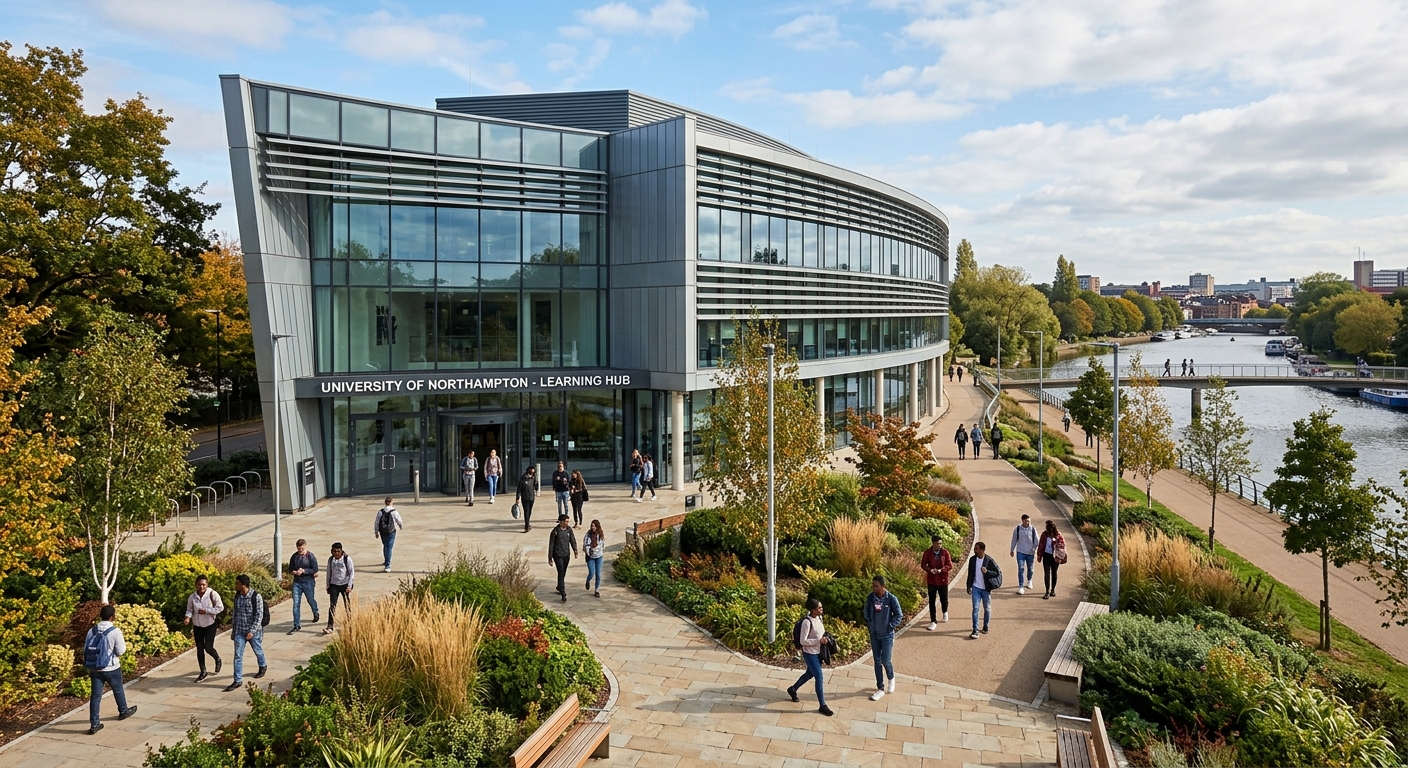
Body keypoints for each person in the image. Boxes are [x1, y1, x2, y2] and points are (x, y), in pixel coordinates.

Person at [84, 604, 137, 734]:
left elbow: (85, 647)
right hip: (111, 667)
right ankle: (123, 711)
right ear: (113, 616)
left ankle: (94, 724)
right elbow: (121, 650)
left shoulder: (92, 630)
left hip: (95, 668)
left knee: (95, 696)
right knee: (117, 689)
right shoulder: (115, 631)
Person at [786, 598, 834, 717]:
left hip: (819, 652)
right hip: (810, 653)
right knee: (819, 676)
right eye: (819, 608)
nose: (821, 609)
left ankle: (793, 689)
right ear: (813, 610)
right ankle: (822, 705)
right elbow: (803, 641)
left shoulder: (819, 618)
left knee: (809, 674)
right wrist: (818, 640)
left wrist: (825, 639)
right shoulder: (807, 622)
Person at [862, 575, 903, 701]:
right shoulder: (871, 598)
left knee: (886, 660)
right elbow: (866, 612)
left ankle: (891, 678)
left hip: (887, 635)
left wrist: (890, 626)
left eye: (877, 586)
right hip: (875, 635)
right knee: (877, 661)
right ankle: (880, 687)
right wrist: (870, 623)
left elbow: (899, 615)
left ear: (883, 586)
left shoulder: (891, 599)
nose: (874, 588)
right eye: (873, 586)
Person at [223, 575, 267, 692]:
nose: (235, 585)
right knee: (238, 656)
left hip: (253, 632)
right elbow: (235, 615)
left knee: (257, 650)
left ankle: (263, 665)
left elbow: (259, 616)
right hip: (240, 631)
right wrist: (234, 631)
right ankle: (237, 680)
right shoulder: (237, 596)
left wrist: (252, 631)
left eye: (237, 583)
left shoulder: (256, 597)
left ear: (243, 585)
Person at [183, 575, 224, 682]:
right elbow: (189, 610)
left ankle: (217, 659)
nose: (201, 587)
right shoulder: (192, 597)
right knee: (200, 649)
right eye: (199, 584)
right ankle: (203, 671)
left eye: (203, 584)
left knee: (208, 647)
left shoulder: (212, 594)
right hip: (197, 626)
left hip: (210, 625)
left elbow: (220, 607)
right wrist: (187, 617)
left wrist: (207, 610)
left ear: (207, 585)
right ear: (196, 585)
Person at [966, 542, 999, 639]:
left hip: (986, 589)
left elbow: (997, 573)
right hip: (976, 588)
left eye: (976, 549)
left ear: (982, 550)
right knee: (975, 609)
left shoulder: (989, 560)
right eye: (975, 548)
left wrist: (987, 572)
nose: (974, 550)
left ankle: (985, 626)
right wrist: (968, 586)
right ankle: (975, 630)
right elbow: (970, 574)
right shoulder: (972, 560)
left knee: (987, 609)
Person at [287, 538, 319, 634]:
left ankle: (315, 611)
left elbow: (315, 568)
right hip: (297, 582)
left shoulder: (310, 556)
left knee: (310, 599)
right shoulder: (294, 556)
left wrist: (304, 571)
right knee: (296, 604)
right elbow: (290, 568)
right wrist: (295, 572)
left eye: (302, 548)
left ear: (305, 546)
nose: (300, 551)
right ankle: (296, 624)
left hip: (308, 582)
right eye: (299, 549)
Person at [920, 536, 952, 629]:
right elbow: (923, 564)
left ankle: (944, 611)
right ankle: (933, 621)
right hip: (932, 580)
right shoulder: (927, 552)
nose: (940, 545)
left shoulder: (945, 552)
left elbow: (949, 565)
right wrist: (930, 570)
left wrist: (941, 570)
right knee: (932, 601)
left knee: (944, 599)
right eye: (938, 543)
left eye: (941, 543)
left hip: (943, 580)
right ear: (933, 543)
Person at [324, 542, 354, 634]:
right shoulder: (331, 560)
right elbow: (328, 572)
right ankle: (330, 625)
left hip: (344, 584)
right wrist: (328, 585)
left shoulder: (347, 559)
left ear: (341, 551)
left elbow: (351, 572)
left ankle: (350, 622)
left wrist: (350, 585)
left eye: (338, 551)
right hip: (334, 585)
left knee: (347, 604)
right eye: (334, 551)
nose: (336, 553)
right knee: (332, 605)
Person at [548, 513, 578, 602]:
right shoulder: (555, 531)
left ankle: (559, 586)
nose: (567, 523)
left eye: (568, 521)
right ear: (561, 522)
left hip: (566, 555)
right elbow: (551, 545)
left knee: (563, 572)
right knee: (561, 572)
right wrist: (550, 558)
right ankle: (563, 593)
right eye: (566, 521)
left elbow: (572, 540)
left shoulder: (569, 530)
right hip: (558, 555)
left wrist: (575, 550)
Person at [1037, 520, 1066, 599]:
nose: (1048, 530)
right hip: (1046, 556)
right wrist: (1039, 556)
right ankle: (1047, 591)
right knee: (1047, 573)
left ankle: (1053, 590)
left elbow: (1063, 546)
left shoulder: (1058, 535)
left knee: (1054, 573)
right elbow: (1041, 545)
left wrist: (1056, 545)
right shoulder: (1044, 534)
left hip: (1055, 556)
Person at [1009, 515, 1038, 595]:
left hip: (1030, 553)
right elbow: (1014, 539)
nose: (1028, 522)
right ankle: (1021, 586)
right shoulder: (1018, 529)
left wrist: (1034, 549)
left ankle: (1029, 580)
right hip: (1020, 551)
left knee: (1030, 569)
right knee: (1021, 569)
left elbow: (1036, 540)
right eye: (1026, 521)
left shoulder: (1033, 529)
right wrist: (1012, 549)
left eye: (1029, 521)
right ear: (1022, 521)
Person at [374, 497, 403, 573]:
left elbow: (377, 522)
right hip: (391, 531)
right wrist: (400, 526)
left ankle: (386, 560)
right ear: (391, 502)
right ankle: (387, 565)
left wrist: (376, 532)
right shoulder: (394, 511)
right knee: (389, 547)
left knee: (385, 546)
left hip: (383, 532)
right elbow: (399, 520)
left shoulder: (381, 512)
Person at [584, 519, 605, 597]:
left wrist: (598, 549)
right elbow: (585, 545)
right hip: (591, 556)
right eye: (592, 526)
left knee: (598, 574)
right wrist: (589, 550)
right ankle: (588, 581)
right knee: (592, 572)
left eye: (594, 526)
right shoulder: (588, 535)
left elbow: (602, 545)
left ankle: (597, 590)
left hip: (599, 556)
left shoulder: (600, 535)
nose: (593, 527)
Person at [516, 466, 539, 532]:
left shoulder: (533, 478)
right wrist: (517, 498)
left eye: (533, 473)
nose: (531, 474)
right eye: (531, 472)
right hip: (525, 497)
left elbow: (536, 486)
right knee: (526, 511)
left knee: (529, 511)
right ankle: (527, 525)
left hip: (531, 497)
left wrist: (536, 485)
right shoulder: (523, 478)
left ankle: (527, 522)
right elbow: (519, 489)